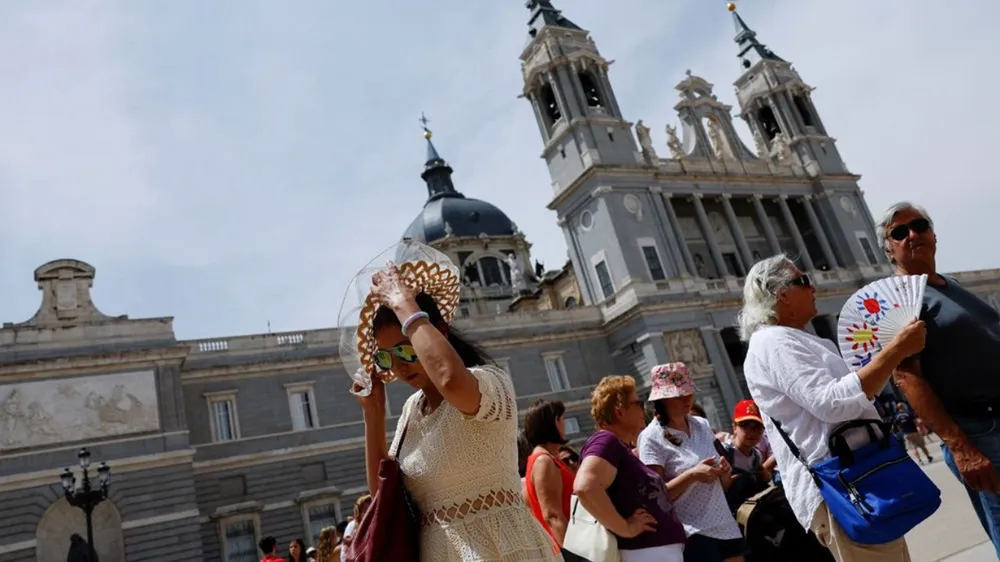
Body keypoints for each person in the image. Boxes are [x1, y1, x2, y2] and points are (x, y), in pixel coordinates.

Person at [344, 242, 559, 561]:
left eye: (406, 348)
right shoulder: (410, 412)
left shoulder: (488, 381)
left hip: (503, 549)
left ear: (437, 331)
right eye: (387, 357)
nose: (400, 365)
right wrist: (373, 413)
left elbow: (449, 379)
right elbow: (382, 495)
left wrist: (404, 303)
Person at [739, 254, 925, 561]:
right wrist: (895, 350)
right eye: (804, 280)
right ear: (780, 294)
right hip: (841, 484)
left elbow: (857, 395)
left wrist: (887, 357)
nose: (813, 287)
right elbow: (831, 403)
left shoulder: (795, 339)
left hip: (859, 475)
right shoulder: (775, 342)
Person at [877, 202, 1000, 557]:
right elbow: (907, 378)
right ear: (888, 248)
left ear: (934, 234)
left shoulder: (950, 286)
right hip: (979, 431)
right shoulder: (898, 299)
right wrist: (960, 446)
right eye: (899, 232)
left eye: (919, 226)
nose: (912, 234)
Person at [637, 363, 746, 562]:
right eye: (679, 395)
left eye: (689, 392)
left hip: (724, 523)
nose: (688, 399)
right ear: (662, 399)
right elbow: (656, 496)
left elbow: (724, 484)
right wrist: (692, 475)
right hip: (691, 532)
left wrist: (724, 472)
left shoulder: (702, 424)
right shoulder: (650, 437)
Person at [574, 375, 687, 562]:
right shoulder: (606, 440)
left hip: (654, 551)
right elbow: (586, 487)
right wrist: (625, 528)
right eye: (638, 403)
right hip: (645, 552)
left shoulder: (620, 447)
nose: (644, 409)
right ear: (619, 411)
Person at [339, 494, 370, 562]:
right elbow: (344, 555)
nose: (370, 513)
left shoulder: (374, 523)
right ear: (360, 512)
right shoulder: (352, 526)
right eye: (366, 511)